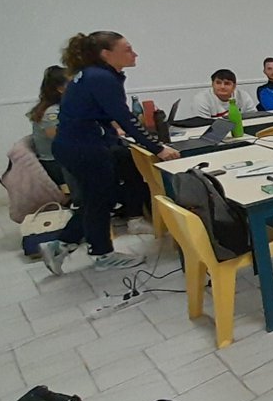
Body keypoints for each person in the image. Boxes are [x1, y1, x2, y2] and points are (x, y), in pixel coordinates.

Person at [41, 31, 181, 274]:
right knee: (100, 199)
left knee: (97, 199)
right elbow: (125, 118)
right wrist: (158, 148)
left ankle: (62, 245)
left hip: (76, 146)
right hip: (85, 148)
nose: (134, 53)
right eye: (127, 49)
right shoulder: (101, 78)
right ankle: (101, 254)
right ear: (106, 54)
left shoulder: (91, 75)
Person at [29, 65, 70, 186]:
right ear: (60, 88)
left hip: (60, 161)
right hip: (55, 164)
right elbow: (60, 140)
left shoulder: (61, 108)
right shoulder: (52, 112)